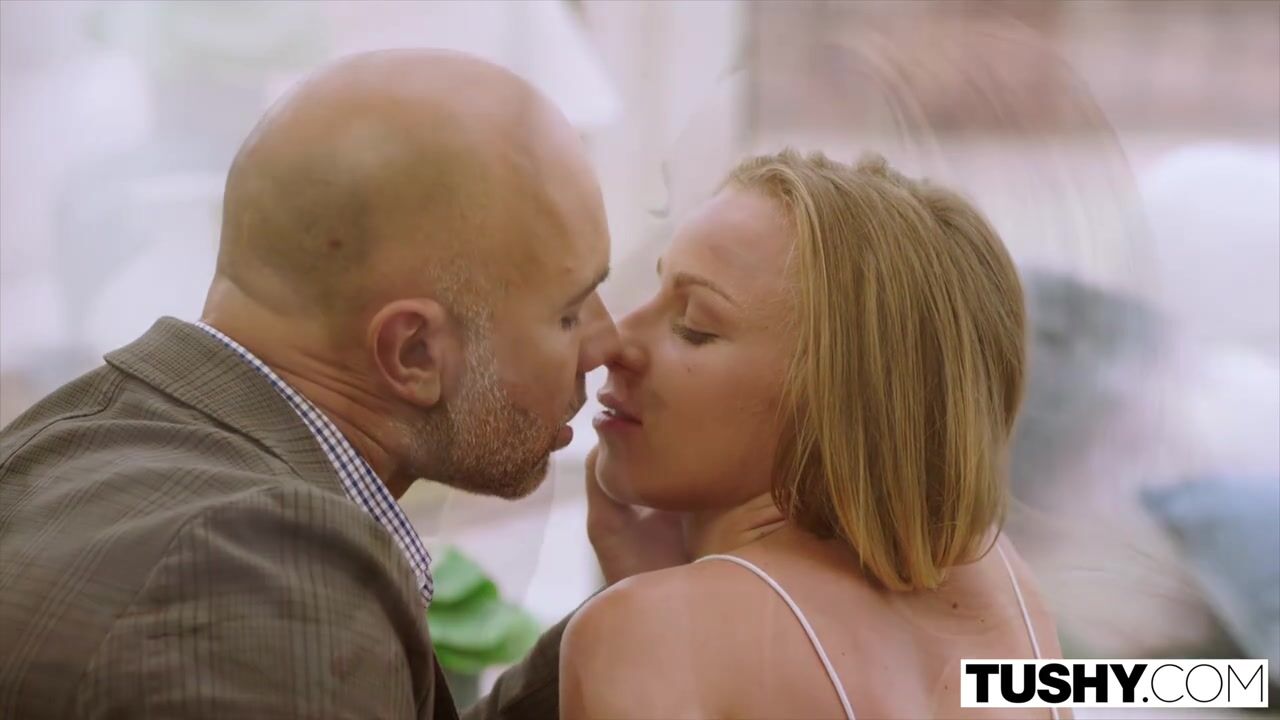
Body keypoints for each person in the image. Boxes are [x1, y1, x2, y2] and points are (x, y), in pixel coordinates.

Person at [0, 49, 682, 720]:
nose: (608, 345)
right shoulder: (259, 589)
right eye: (569, 313)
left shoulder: (66, 445)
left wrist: (637, 610)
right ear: (413, 352)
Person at [562, 150, 1065, 719]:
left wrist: (656, 624)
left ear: (841, 400)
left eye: (694, 327)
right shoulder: (1002, 585)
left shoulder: (641, 637)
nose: (615, 341)